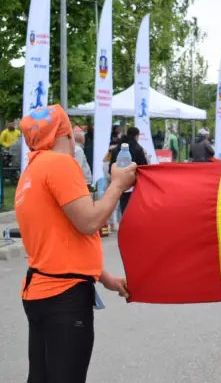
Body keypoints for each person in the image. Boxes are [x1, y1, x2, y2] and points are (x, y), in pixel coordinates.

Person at [15, 105, 136, 383]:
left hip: (40, 291)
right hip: (64, 296)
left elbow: (59, 238)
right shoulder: (59, 164)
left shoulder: (31, 173)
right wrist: (117, 186)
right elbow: (89, 221)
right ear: (66, 134)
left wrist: (104, 278)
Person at [109, 127, 148, 213]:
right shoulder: (138, 148)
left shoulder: (117, 148)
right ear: (137, 136)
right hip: (134, 185)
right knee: (134, 210)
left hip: (119, 183)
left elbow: (111, 166)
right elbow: (144, 166)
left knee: (122, 209)